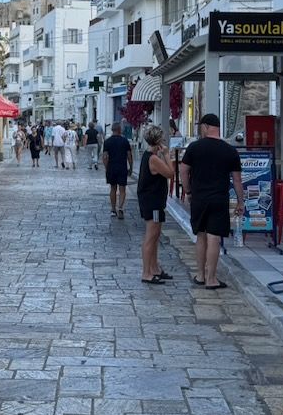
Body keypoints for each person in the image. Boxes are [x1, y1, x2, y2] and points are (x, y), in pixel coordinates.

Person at [179, 112, 243, 290]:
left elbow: (183, 170)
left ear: (206, 127)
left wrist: (188, 190)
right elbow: (237, 180)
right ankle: (211, 278)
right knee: (214, 238)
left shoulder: (194, 147)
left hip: (199, 198)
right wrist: (240, 202)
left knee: (200, 236)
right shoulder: (230, 150)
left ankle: (200, 275)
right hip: (219, 199)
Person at [137, 124, 176, 284]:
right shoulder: (153, 159)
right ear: (158, 140)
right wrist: (167, 155)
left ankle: (154, 268)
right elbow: (170, 173)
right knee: (151, 236)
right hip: (152, 202)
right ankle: (147, 272)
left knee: (155, 235)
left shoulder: (150, 156)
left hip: (155, 201)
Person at [102, 121, 134, 219]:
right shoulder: (125, 141)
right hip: (122, 167)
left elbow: (105, 156)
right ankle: (120, 208)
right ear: (120, 130)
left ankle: (113, 209)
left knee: (113, 188)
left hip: (111, 167)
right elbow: (129, 155)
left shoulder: (107, 142)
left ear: (112, 130)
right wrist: (131, 167)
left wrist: (106, 167)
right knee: (122, 189)